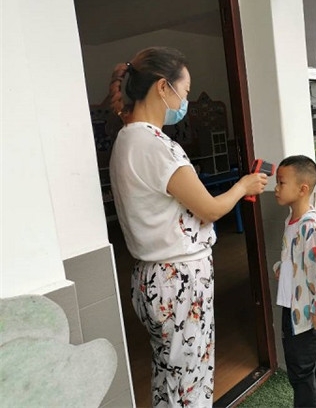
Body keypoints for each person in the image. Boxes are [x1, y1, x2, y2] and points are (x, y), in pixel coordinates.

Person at [107, 46, 268, 407]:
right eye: (185, 90)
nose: (186, 101)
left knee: (170, 374)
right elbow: (209, 209)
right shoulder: (157, 146)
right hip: (178, 279)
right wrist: (243, 185)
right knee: (191, 379)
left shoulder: (125, 139)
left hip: (150, 276)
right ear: (163, 87)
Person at [272, 155, 316, 408]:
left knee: (300, 370)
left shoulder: (309, 227)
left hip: (306, 311)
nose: (276, 188)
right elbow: (295, 258)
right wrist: (282, 268)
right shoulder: (292, 221)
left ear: (303, 189)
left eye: (281, 183)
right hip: (293, 306)